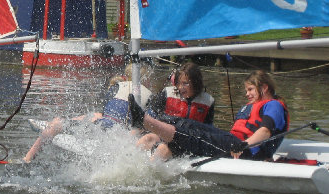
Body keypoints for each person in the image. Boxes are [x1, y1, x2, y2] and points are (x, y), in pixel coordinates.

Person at [128, 69, 288, 160]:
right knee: (185, 125)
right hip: (234, 142)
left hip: (243, 149)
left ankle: (144, 121)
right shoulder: (252, 106)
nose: (247, 94)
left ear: (264, 88)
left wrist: (245, 144)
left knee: (190, 133)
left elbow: (265, 131)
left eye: (250, 89)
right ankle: (146, 126)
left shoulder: (274, 105)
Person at [23, 65, 153, 163]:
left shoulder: (116, 87)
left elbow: (106, 112)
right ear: (145, 79)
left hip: (101, 126)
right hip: (118, 133)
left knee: (94, 115)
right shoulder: (149, 95)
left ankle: (27, 158)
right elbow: (147, 123)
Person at [135, 62, 215, 160]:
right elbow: (151, 116)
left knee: (162, 149)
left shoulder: (208, 101)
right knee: (146, 139)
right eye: (178, 83)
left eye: (185, 83)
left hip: (188, 141)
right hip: (166, 135)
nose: (180, 87)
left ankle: (149, 170)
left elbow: (209, 130)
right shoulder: (167, 93)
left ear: (195, 82)